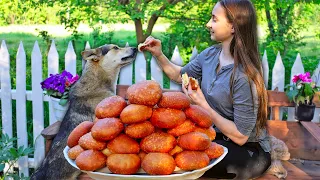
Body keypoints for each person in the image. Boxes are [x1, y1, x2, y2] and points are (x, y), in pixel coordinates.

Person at [141, 0, 271, 179]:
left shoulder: (244, 75)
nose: (208, 24)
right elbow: (181, 76)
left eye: (214, 19)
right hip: (215, 138)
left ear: (233, 26)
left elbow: (241, 136)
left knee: (184, 161)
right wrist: (159, 55)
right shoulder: (211, 55)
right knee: (168, 152)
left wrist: (202, 104)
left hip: (248, 151)